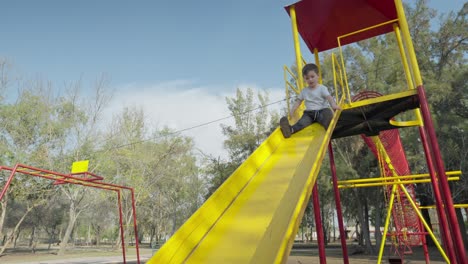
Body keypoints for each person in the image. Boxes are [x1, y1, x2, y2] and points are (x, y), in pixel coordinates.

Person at [280, 63, 341, 138]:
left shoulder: (322, 88)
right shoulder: (304, 91)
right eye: (307, 78)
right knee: (301, 123)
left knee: (327, 114)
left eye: (312, 76)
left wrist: (333, 105)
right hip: (309, 114)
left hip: (321, 111)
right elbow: (298, 102)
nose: (310, 80)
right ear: (304, 79)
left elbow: (329, 97)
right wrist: (292, 110)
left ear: (318, 76)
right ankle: (290, 130)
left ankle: (330, 126)